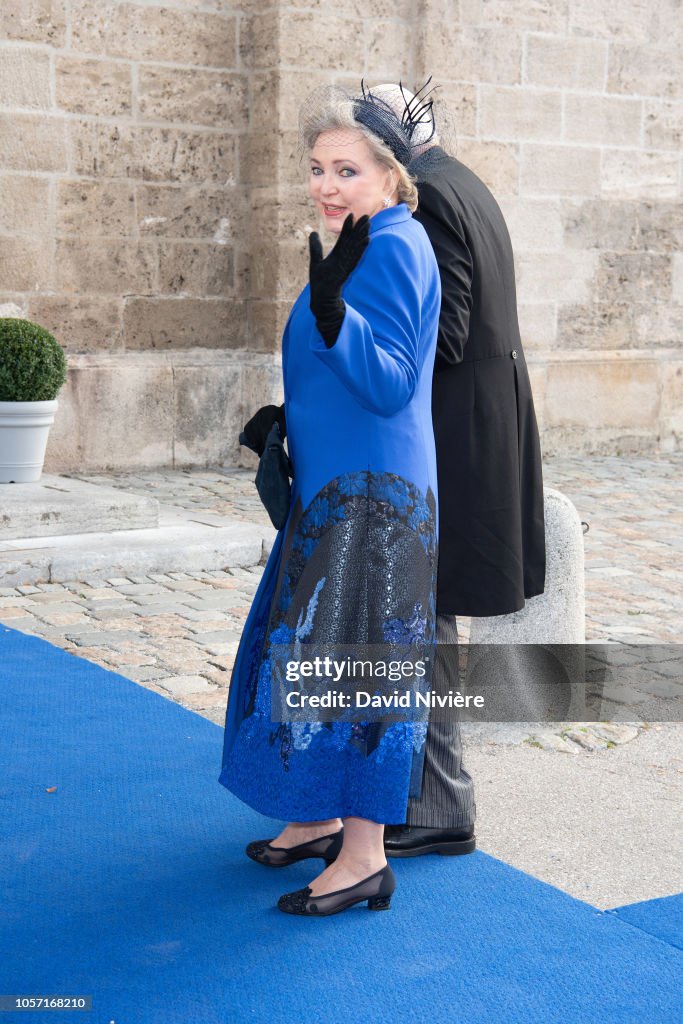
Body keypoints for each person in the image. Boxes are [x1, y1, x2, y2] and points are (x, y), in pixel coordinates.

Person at [219, 81, 443, 916]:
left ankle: (363, 857)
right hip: (336, 487)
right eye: (316, 168)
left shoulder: (392, 245)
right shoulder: (362, 240)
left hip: (374, 503)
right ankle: (314, 817)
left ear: (390, 175)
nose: (325, 186)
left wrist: (331, 313)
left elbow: (388, 384)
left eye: (346, 169)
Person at [366, 83, 546, 858]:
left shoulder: (431, 196)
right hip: (481, 420)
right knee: (430, 614)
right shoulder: (459, 178)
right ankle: (426, 792)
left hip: (454, 434)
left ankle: (440, 804)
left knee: (428, 614)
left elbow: (439, 337)